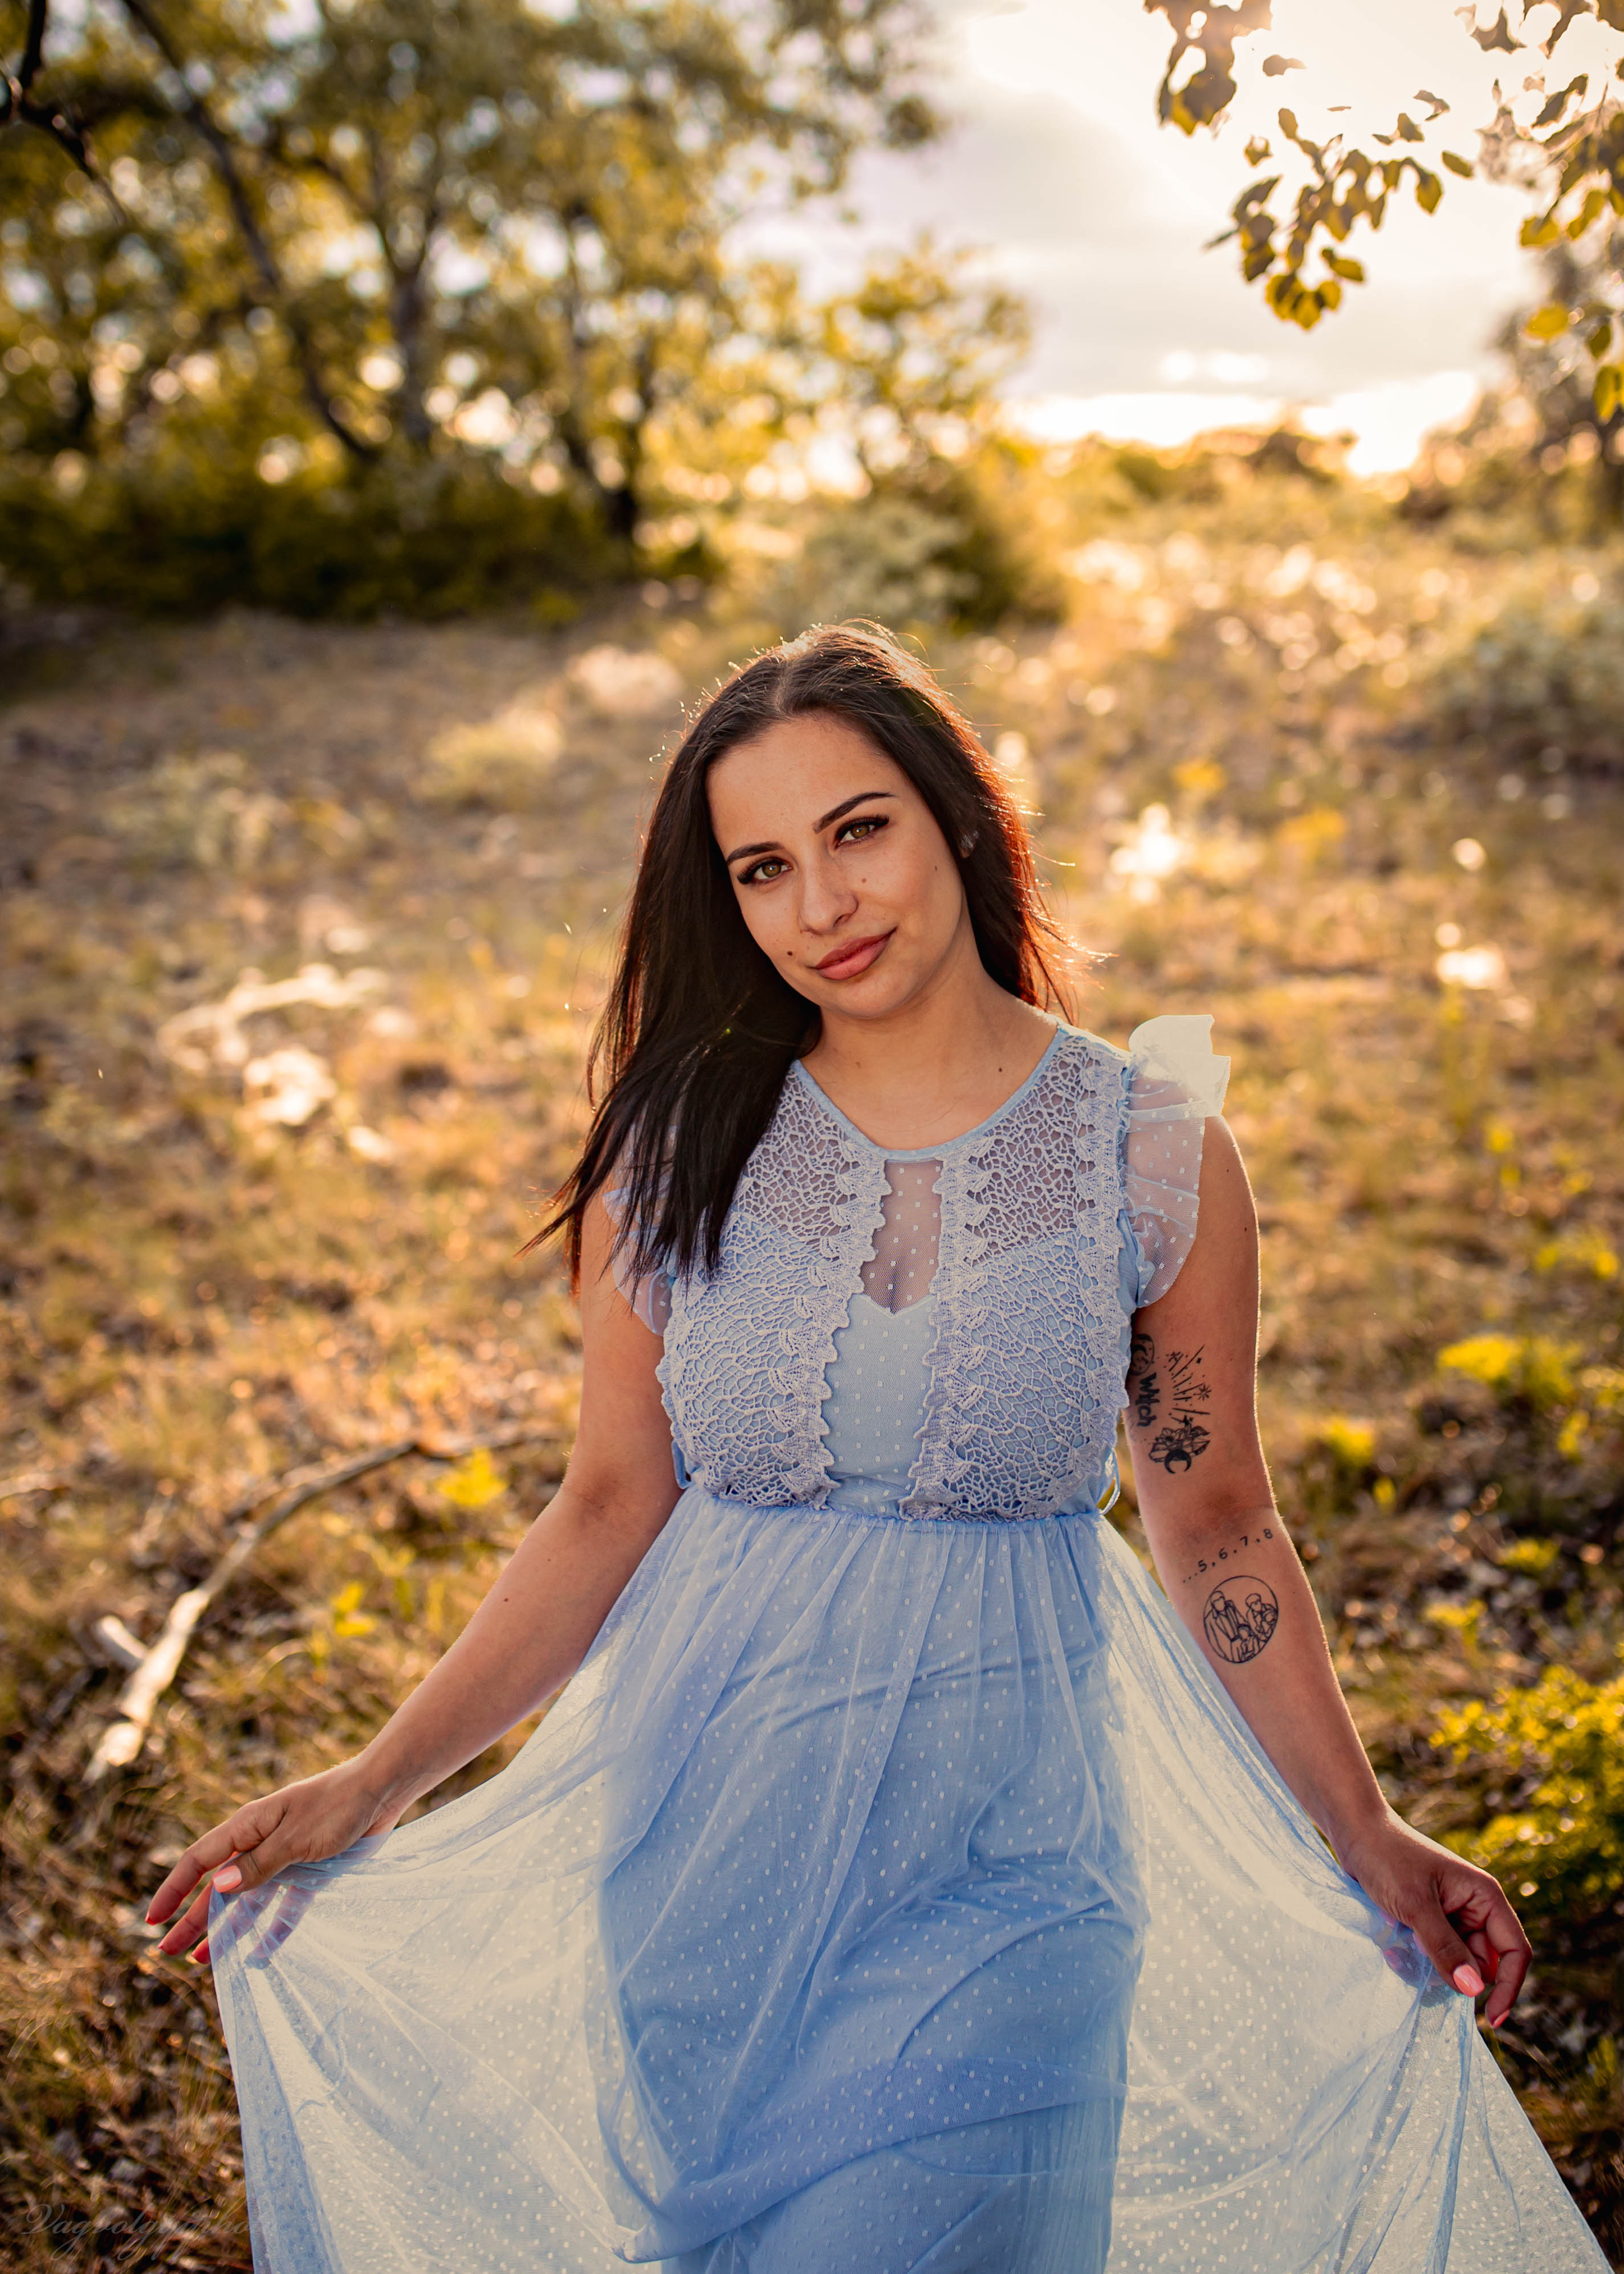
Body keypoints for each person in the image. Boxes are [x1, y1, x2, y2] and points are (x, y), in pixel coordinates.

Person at [146, 624, 1605, 2273]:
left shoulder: (1148, 1147)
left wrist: (1366, 1830)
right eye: (763, 869)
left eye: (859, 832)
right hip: (706, 1853)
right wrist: (373, 1783)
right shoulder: (673, 1148)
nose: (822, 905)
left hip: (1013, 1868)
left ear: (958, 819)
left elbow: (1216, 1525)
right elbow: (606, 1506)